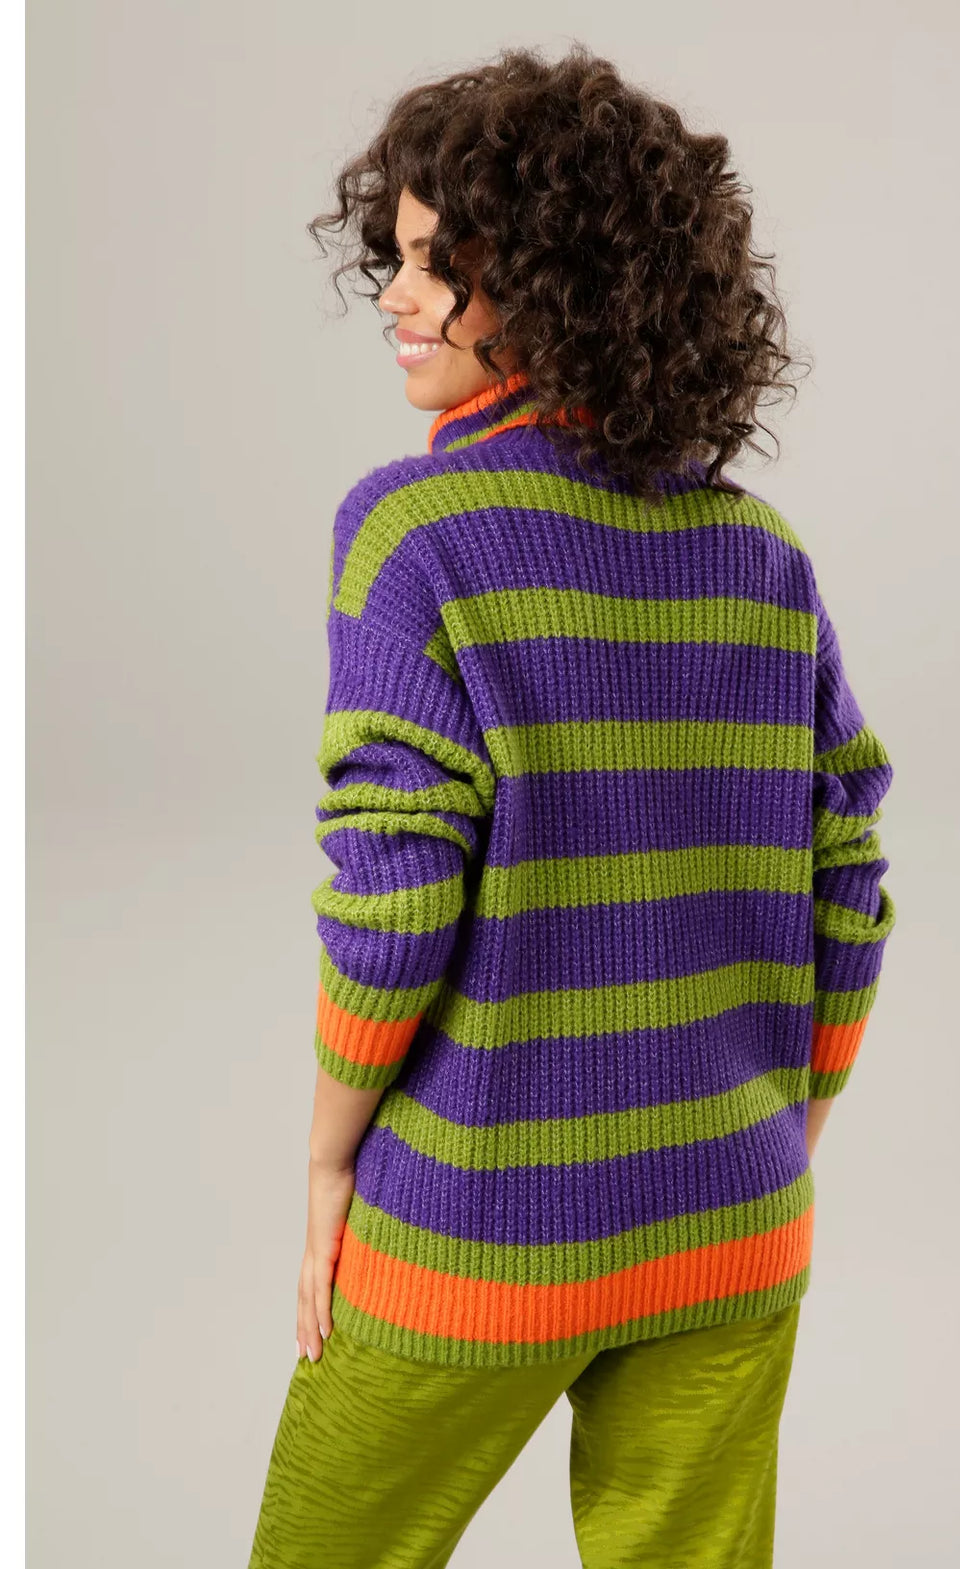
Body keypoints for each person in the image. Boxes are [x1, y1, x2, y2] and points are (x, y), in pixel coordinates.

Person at [247, 41, 896, 1569]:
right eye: (397, 259)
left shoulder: (413, 538)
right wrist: (780, 1131)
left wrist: (331, 1159)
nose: (398, 298)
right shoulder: (760, 555)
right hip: (734, 1219)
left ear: (552, 283)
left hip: (474, 1225)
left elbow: (395, 894)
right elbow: (850, 875)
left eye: (439, 265)